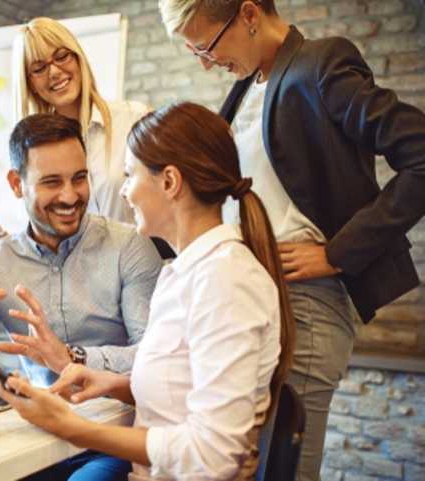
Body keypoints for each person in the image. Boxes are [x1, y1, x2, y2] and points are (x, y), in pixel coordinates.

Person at [157, 1, 425, 480]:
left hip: (305, 303)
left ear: (249, 14)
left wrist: (338, 253)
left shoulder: (321, 65)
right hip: (254, 298)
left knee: (282, 469)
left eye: (208, 47)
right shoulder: (246, 89)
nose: (205, 63)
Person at [0, 102, 295, 481]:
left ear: (169, 182)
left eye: (129, 175)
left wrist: (70, 427)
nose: (124, 193)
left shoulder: (226, 281)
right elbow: (183, 391)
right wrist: (115, 384)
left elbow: (215, 455)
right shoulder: (184, 273)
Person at [0, 113, 162, 389]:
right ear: (16, 184)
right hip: (39, 420)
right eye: (52, 182)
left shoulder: (129, 247)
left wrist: (72, 357)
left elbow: (155, 356)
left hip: (118, 417)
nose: (70, 196)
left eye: (79, 178)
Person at [0, 18, 175, 256]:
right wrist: (5, 242)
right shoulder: (34, 151)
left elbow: (173, 202)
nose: (55, 72)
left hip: (145, 271)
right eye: (39, 69)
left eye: (62, 56)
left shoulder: (135, 119)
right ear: (30, 84)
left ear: (78, 59)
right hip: (79, 285)